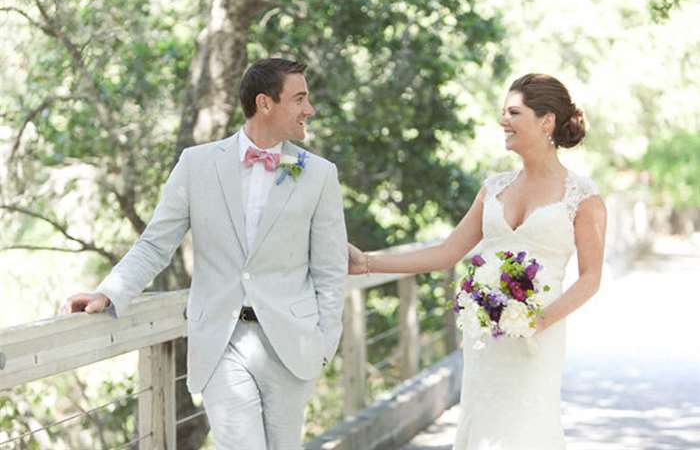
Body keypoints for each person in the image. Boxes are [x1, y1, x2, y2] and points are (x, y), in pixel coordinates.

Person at [65, 58, 348, 449]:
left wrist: (325, 341)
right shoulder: (196, 165)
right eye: (300, 99)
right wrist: (110, 292)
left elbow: (330, 269)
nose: (309, 109)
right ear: (265, 104)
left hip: (292, 344)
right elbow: (156, 242)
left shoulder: (318, 174)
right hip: (220, 341)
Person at [348, 73, 606, 449]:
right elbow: (447, 252)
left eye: (514, 112)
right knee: (482, 427)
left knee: (527, 430)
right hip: (485, 335)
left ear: (546, 121)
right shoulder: (495, 187)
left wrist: (537, 320)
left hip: (537, 339)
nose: (503, 120)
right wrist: (367, 263)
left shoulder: (582, 196)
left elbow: (590, 278)